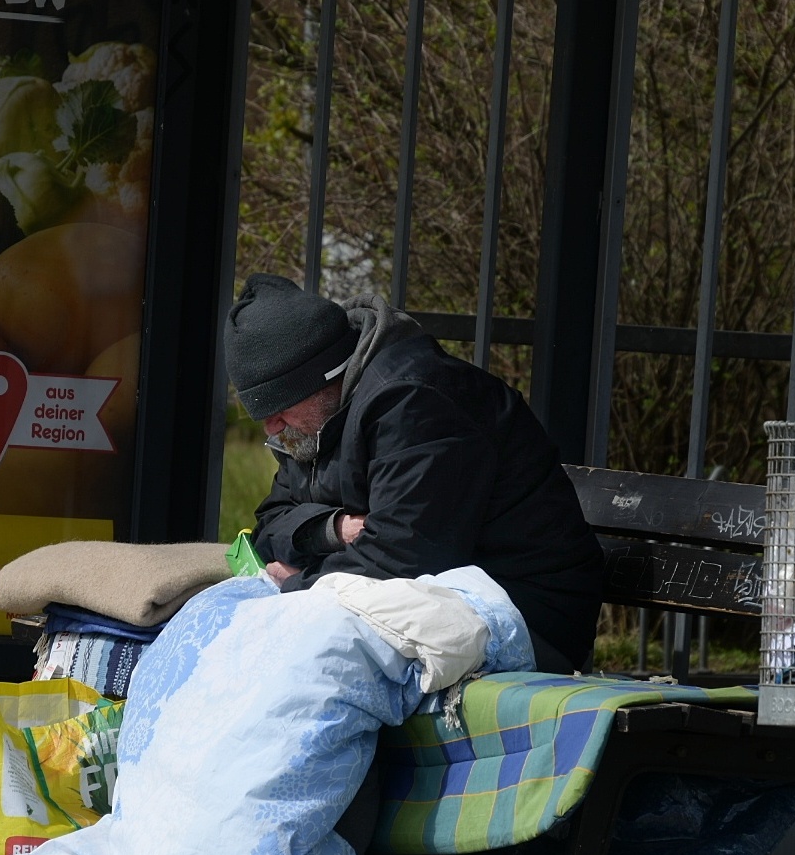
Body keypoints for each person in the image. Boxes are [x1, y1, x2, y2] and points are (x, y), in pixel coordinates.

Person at [224, 272, 605, 674]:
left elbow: (402, 558)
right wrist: (338, 529)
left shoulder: (416, 400)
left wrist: (298, 586)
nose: (270, 427)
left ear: (325, 377)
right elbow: (270, 524)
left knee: (290, 664)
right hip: (433, 601)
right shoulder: (314, 420)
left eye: (279, 408)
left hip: (522, 618)